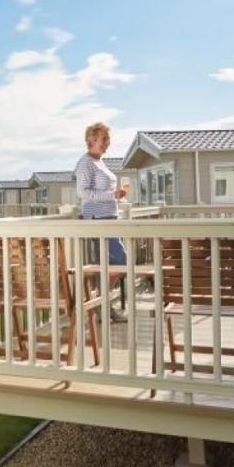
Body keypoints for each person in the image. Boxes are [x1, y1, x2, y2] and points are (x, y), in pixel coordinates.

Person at [75, 122, 130, 322]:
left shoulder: (99, 161)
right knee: (122, 260)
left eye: (108, 138)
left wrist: (117, 196)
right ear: (91, 140)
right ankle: (101, 300)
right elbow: (83, 193)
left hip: (108, 219)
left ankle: (103, 305)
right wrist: (112, 194)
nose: (108, 142)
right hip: (97, 220)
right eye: (104, 139)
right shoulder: (86, 162)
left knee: (109, 264)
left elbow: (103, 193)